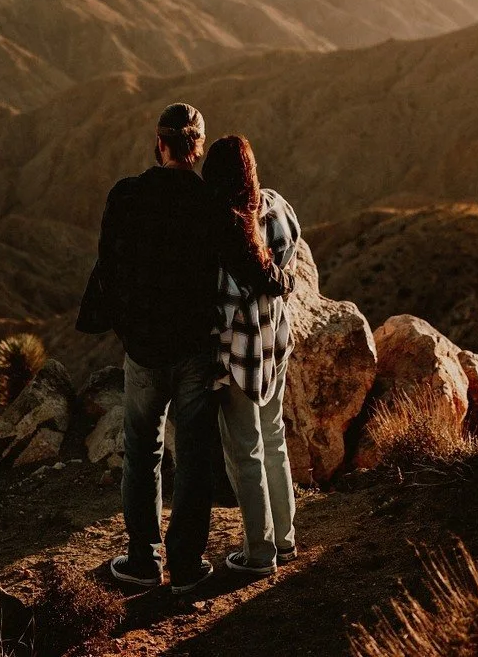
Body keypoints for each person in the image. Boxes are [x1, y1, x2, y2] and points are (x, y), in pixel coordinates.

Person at [76, 103, 295, 595]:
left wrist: (125, 326)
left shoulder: (126, 196)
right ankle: (188, 566)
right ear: (196, 150)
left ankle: (142, 560)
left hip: (144, 352)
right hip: (195, 352)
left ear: (160, 145)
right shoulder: (211, 206)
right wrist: (285, 280)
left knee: (142, 450)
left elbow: (108, 267)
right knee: (194, 457)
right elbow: (249, 266)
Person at [202, 134, 301, 577]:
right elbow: (290, 258)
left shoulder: (219, 231)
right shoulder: (278, 207)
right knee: (274, 437)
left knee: (245, 452)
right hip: (274, 345)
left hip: (238, 357)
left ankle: (260, 555)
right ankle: (286, 539)